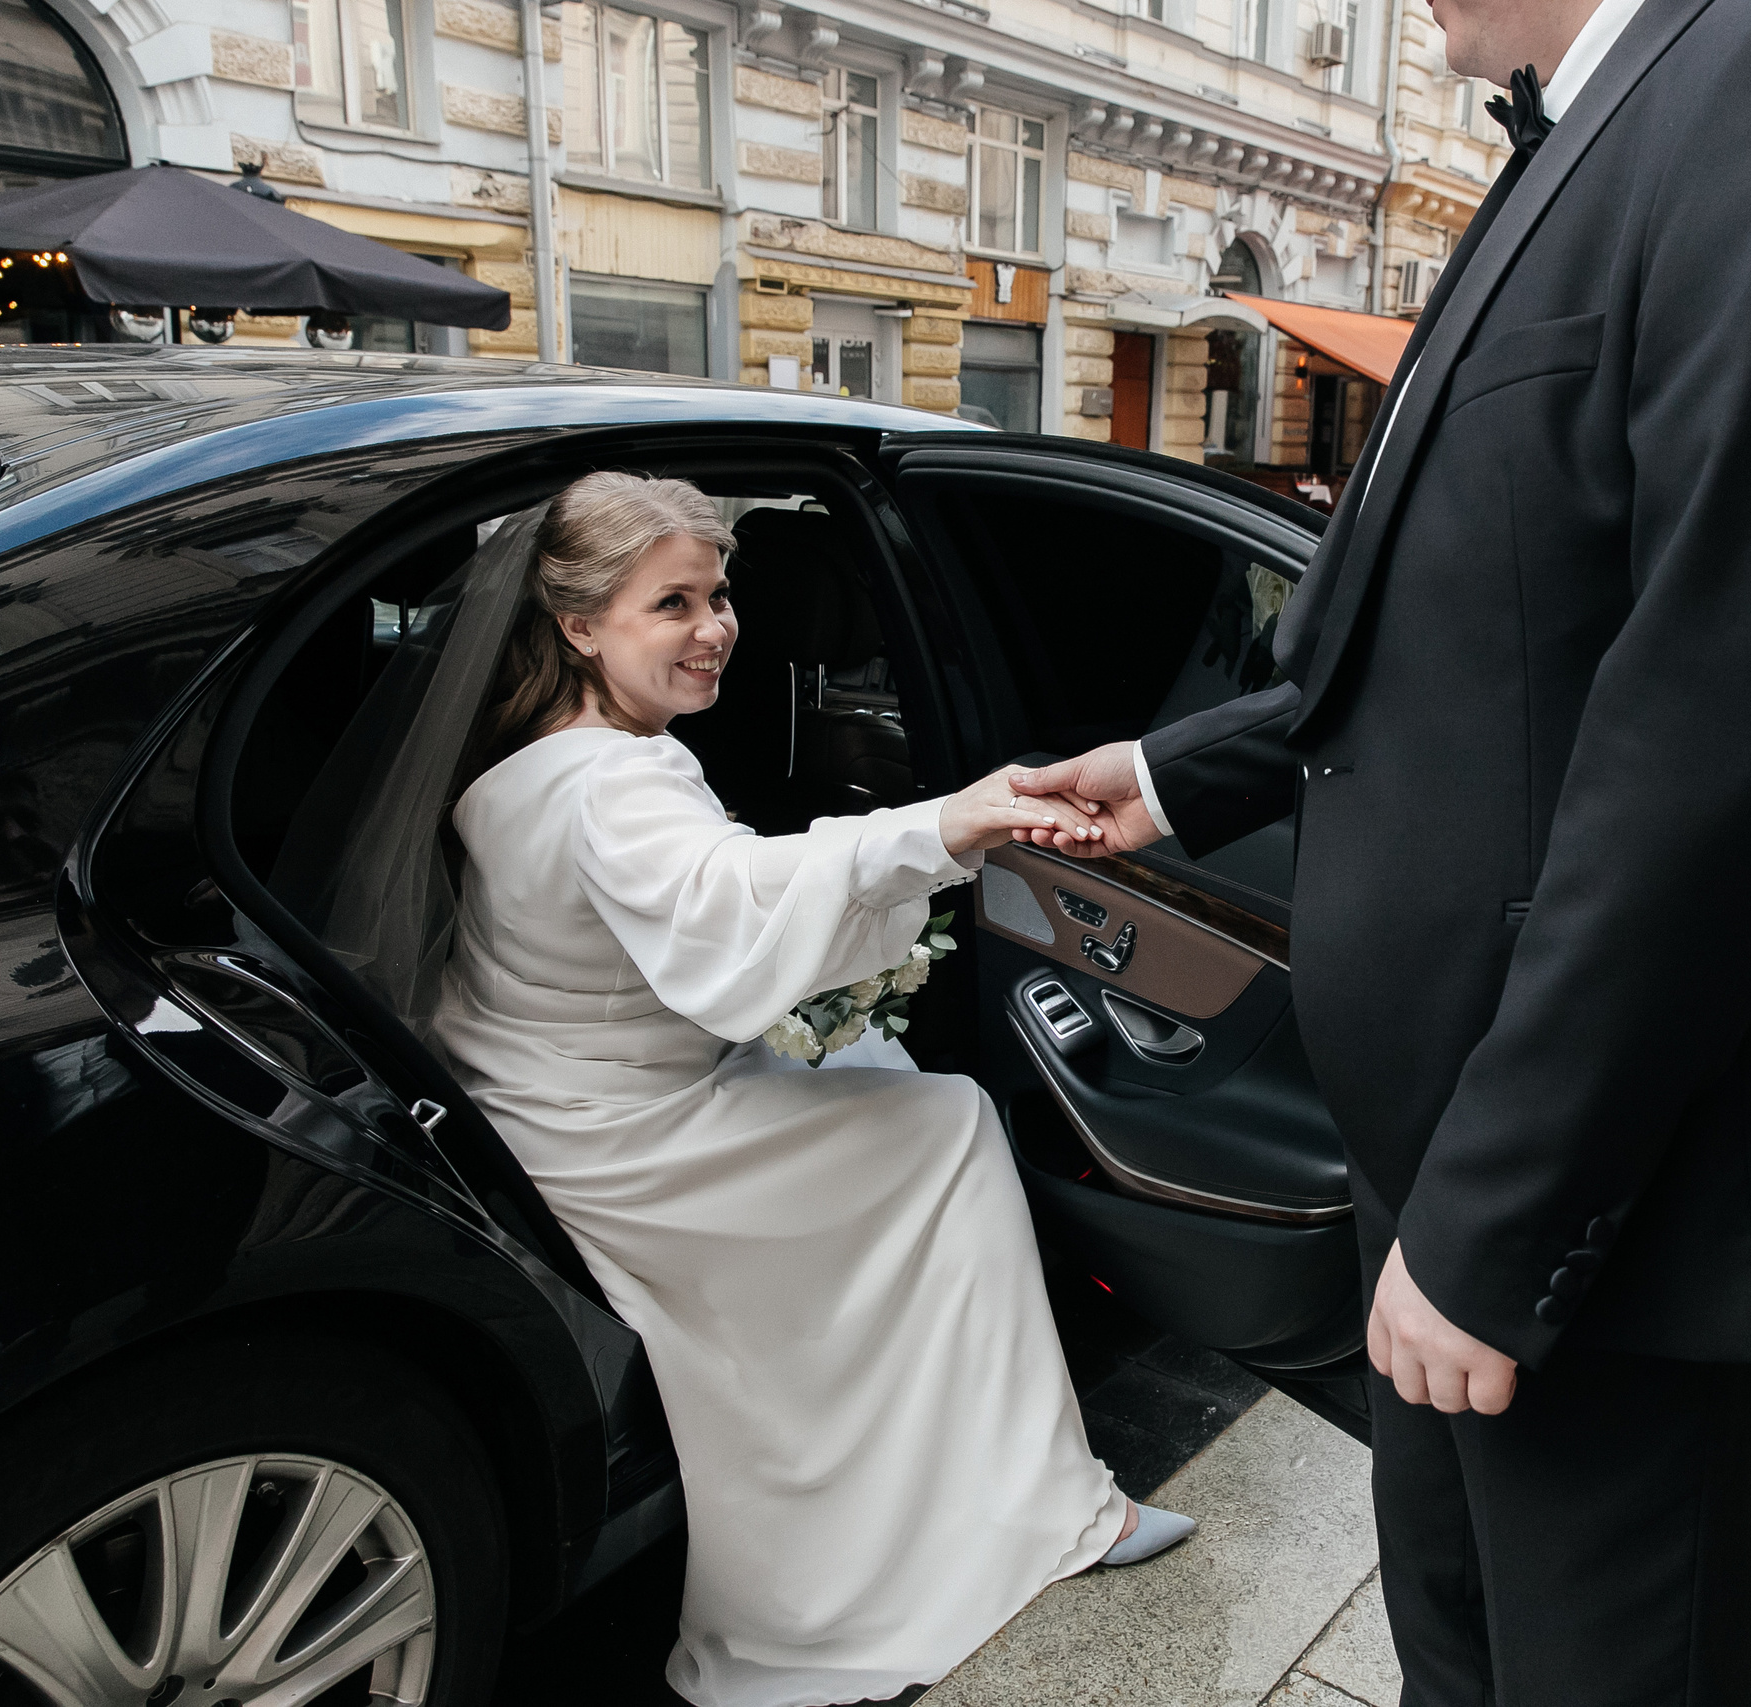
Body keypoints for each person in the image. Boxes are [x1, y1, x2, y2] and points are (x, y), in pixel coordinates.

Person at [1012, 0, 1751, 1699]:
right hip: (1456, 1155)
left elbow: (1733, 725)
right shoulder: (1612, 107)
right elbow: (1470, 637)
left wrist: (1501, 1219)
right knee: (1462, 1662)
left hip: (1617, 1207)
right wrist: (1167, 773)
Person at [430, 472, 1192, 1707]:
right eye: (670, 603)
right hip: (632, 1134)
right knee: (947, 1127)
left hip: (534, 1096)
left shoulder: (530, 760)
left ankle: (981, 1484)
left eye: (719, 593)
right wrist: (947, 825)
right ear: (578, 626)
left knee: (894, 1090)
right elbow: (734, 903)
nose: (715, 625)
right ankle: (1052, 1515)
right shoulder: (621, 782)